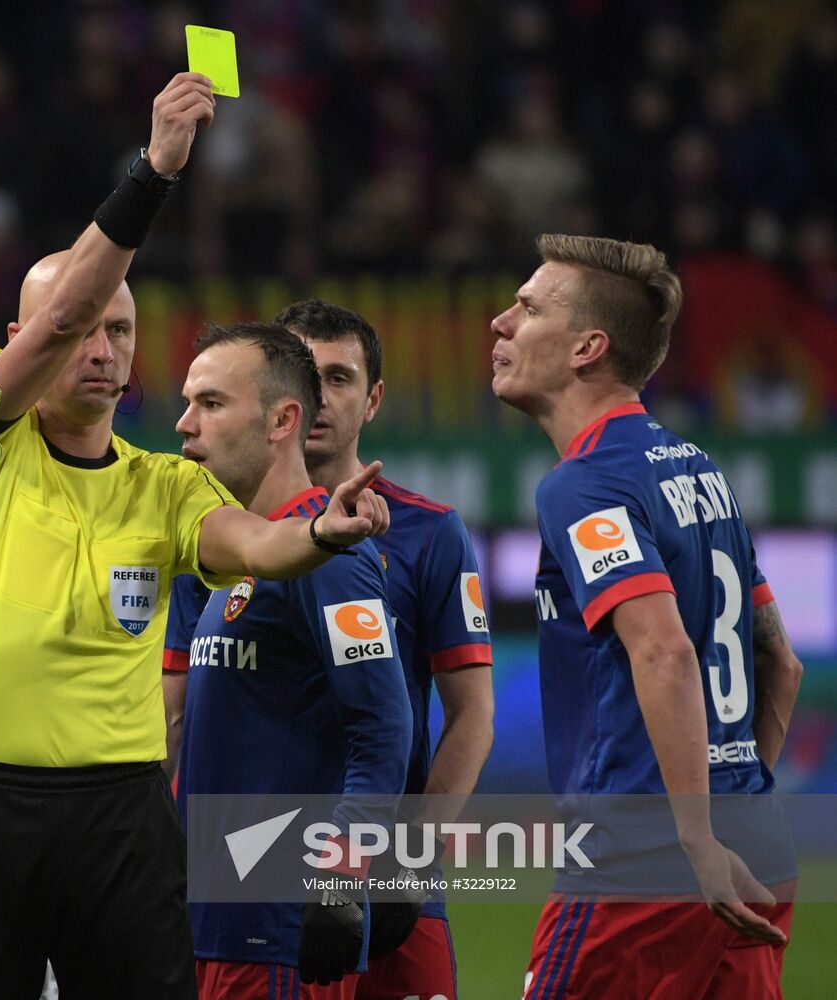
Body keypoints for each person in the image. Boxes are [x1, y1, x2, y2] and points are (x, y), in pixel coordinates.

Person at [0, 73, 388, 1000]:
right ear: (28, 339)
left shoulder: (164, 482)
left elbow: (256, 548)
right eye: (85, 328)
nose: (100, 348)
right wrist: (156, 170)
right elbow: (60, 312)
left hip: (122, 817)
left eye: (119, 330)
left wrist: (321, 532)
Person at [490, 234, 804, 999]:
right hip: (755, 843)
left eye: (527, 308)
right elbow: (779, 664)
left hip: (642, 855)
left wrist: (692, 836)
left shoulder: (585, 483)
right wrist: (731, 810)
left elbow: (662, 650)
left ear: (585, 348)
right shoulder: (700, 470)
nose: (500, 322)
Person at [171, 323, 414, 998]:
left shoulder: (329, 558)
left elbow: (384, 730)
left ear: (282, 420)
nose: (184, 423)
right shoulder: (236, 555)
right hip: (214, 924)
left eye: (211, 404)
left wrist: (340, 875)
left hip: (275, 931)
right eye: (188, 401)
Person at [276, 298, 495, 1000]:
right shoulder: (217, 533)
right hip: (251, 875)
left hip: (384, 880)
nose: (316, 396)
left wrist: (410, 860)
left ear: (372, 401)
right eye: (299, 375)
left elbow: (471, 715)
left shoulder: (430, 534)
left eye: (337, 379)